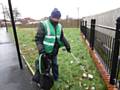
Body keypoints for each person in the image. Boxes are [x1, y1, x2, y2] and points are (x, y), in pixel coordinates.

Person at [32, 8, 71, 83]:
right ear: (51, 16)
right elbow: (38, 39)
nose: (56, 20)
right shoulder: (43, 24)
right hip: (45, 52)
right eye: (54, 18)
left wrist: (67, 45)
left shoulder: (59, 26)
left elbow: (62, 37)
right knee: (46, 67)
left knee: (55, 64)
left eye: (58, 19)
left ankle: (56, 78)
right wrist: (41, 50)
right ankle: (45, 79)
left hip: (55, 51)